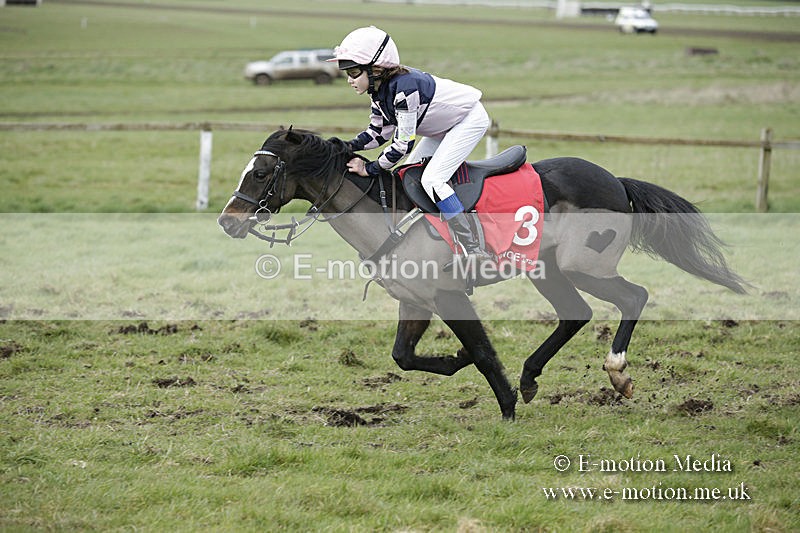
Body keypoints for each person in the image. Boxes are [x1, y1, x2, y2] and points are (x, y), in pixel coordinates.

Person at [330, 26, 492, 262]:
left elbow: (402, 145)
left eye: (353, 71)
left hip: (468, 120)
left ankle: (473, 247)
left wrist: (371, 168)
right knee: (406, 175)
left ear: (375, 69)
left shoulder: (405, 89)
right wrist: (342, 147)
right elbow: (377, 134)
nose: (349, 79)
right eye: (345, 72)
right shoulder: (379, 92)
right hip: (442, 126)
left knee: (432, 179)